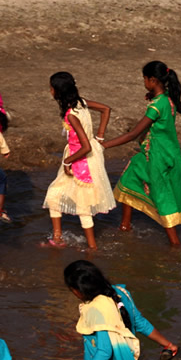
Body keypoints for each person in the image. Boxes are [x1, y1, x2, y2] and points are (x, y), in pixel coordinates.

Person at [102, 61, 181, 246]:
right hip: (168, 152)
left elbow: (133, 134)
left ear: (152, 80)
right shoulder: (168, 99)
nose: (143, 82)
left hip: (156, 156)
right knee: (129, 178)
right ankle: (125, 225)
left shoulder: (156, 106)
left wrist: (104, 145)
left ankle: (175, 243)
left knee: (161, 195)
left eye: (144, 79)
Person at [41, 72, 116, 249]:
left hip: (81, 160)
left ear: (57, 92)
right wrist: (100, 136)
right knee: (54, 195)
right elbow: (106, 109)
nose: (50, 91)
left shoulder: (71, 115)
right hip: (82, 156)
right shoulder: (81, 103)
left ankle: (92, 247)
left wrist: (67, 161)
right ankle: (58, 238)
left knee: (83, 205)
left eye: (51, 88)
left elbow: (85, 147)